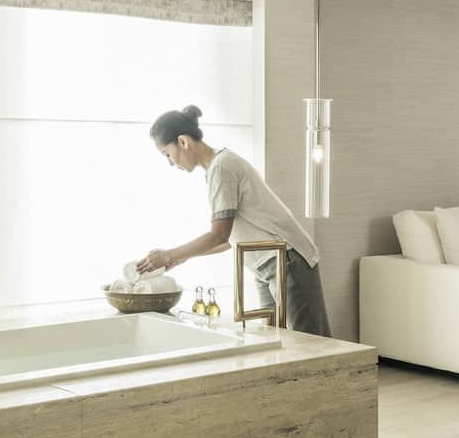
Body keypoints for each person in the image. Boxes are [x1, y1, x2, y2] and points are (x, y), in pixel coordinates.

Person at [137, 105, 332, 337]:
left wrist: (169, 254)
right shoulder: (216, 168)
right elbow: (227, 238)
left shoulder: (222, 167)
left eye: (167, 154)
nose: (170, 163)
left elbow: (218, 235)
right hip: (265, 263)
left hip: (286, 258)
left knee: (312, 343)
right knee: (275, 342)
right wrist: (182, 257)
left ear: (183, 141)